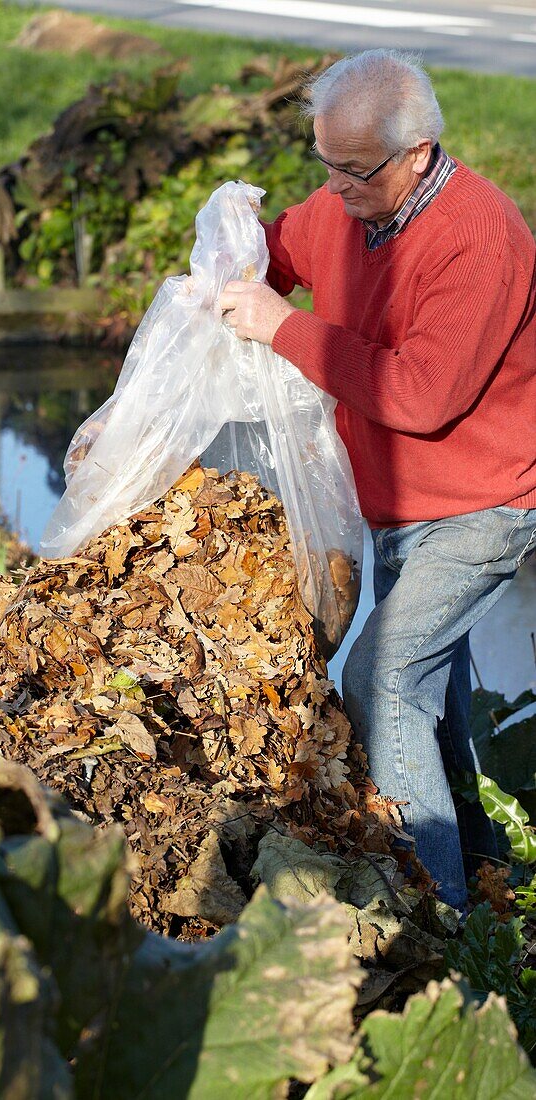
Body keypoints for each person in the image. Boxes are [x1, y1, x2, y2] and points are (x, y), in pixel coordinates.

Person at [218, 48, 536, 911]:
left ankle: (432, 912)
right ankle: (485, 872)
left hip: (483, 507)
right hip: (398, 506)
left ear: (419, 153)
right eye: (324, 163)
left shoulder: (480, 238)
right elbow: (273, 252)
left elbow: (419, 394)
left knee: (381, 678)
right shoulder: (347, 204)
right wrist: (229, 258)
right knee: (434, 706)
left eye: (354, 170)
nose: (335, 188)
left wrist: (284, 328)